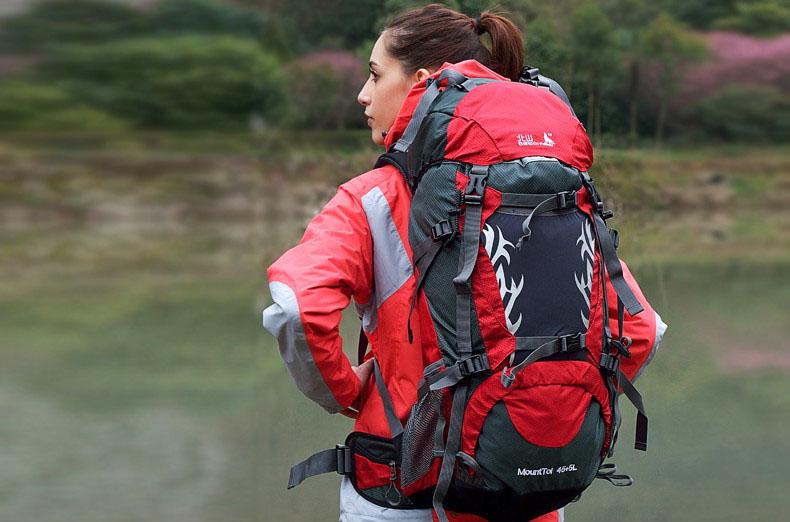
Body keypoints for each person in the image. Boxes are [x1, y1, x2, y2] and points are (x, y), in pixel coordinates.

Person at [263, 4, 664, 522]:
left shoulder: (373, 200)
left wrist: (343, 391)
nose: (363, 95)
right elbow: (643, 328)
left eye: (375, 74)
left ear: (422, 82)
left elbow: (296, 307)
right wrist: (558, 401)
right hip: (531, 498)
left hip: (404, 494)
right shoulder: (552, 197)